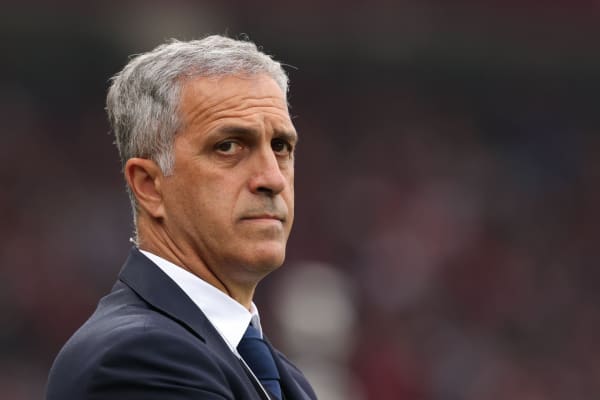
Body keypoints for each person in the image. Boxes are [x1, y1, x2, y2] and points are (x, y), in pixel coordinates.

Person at [46, 35, 317, 400]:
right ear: (149, 186)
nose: (272, 178)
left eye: (280, 146)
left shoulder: (283, 376)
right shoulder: (137, 359)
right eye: (228, 146)